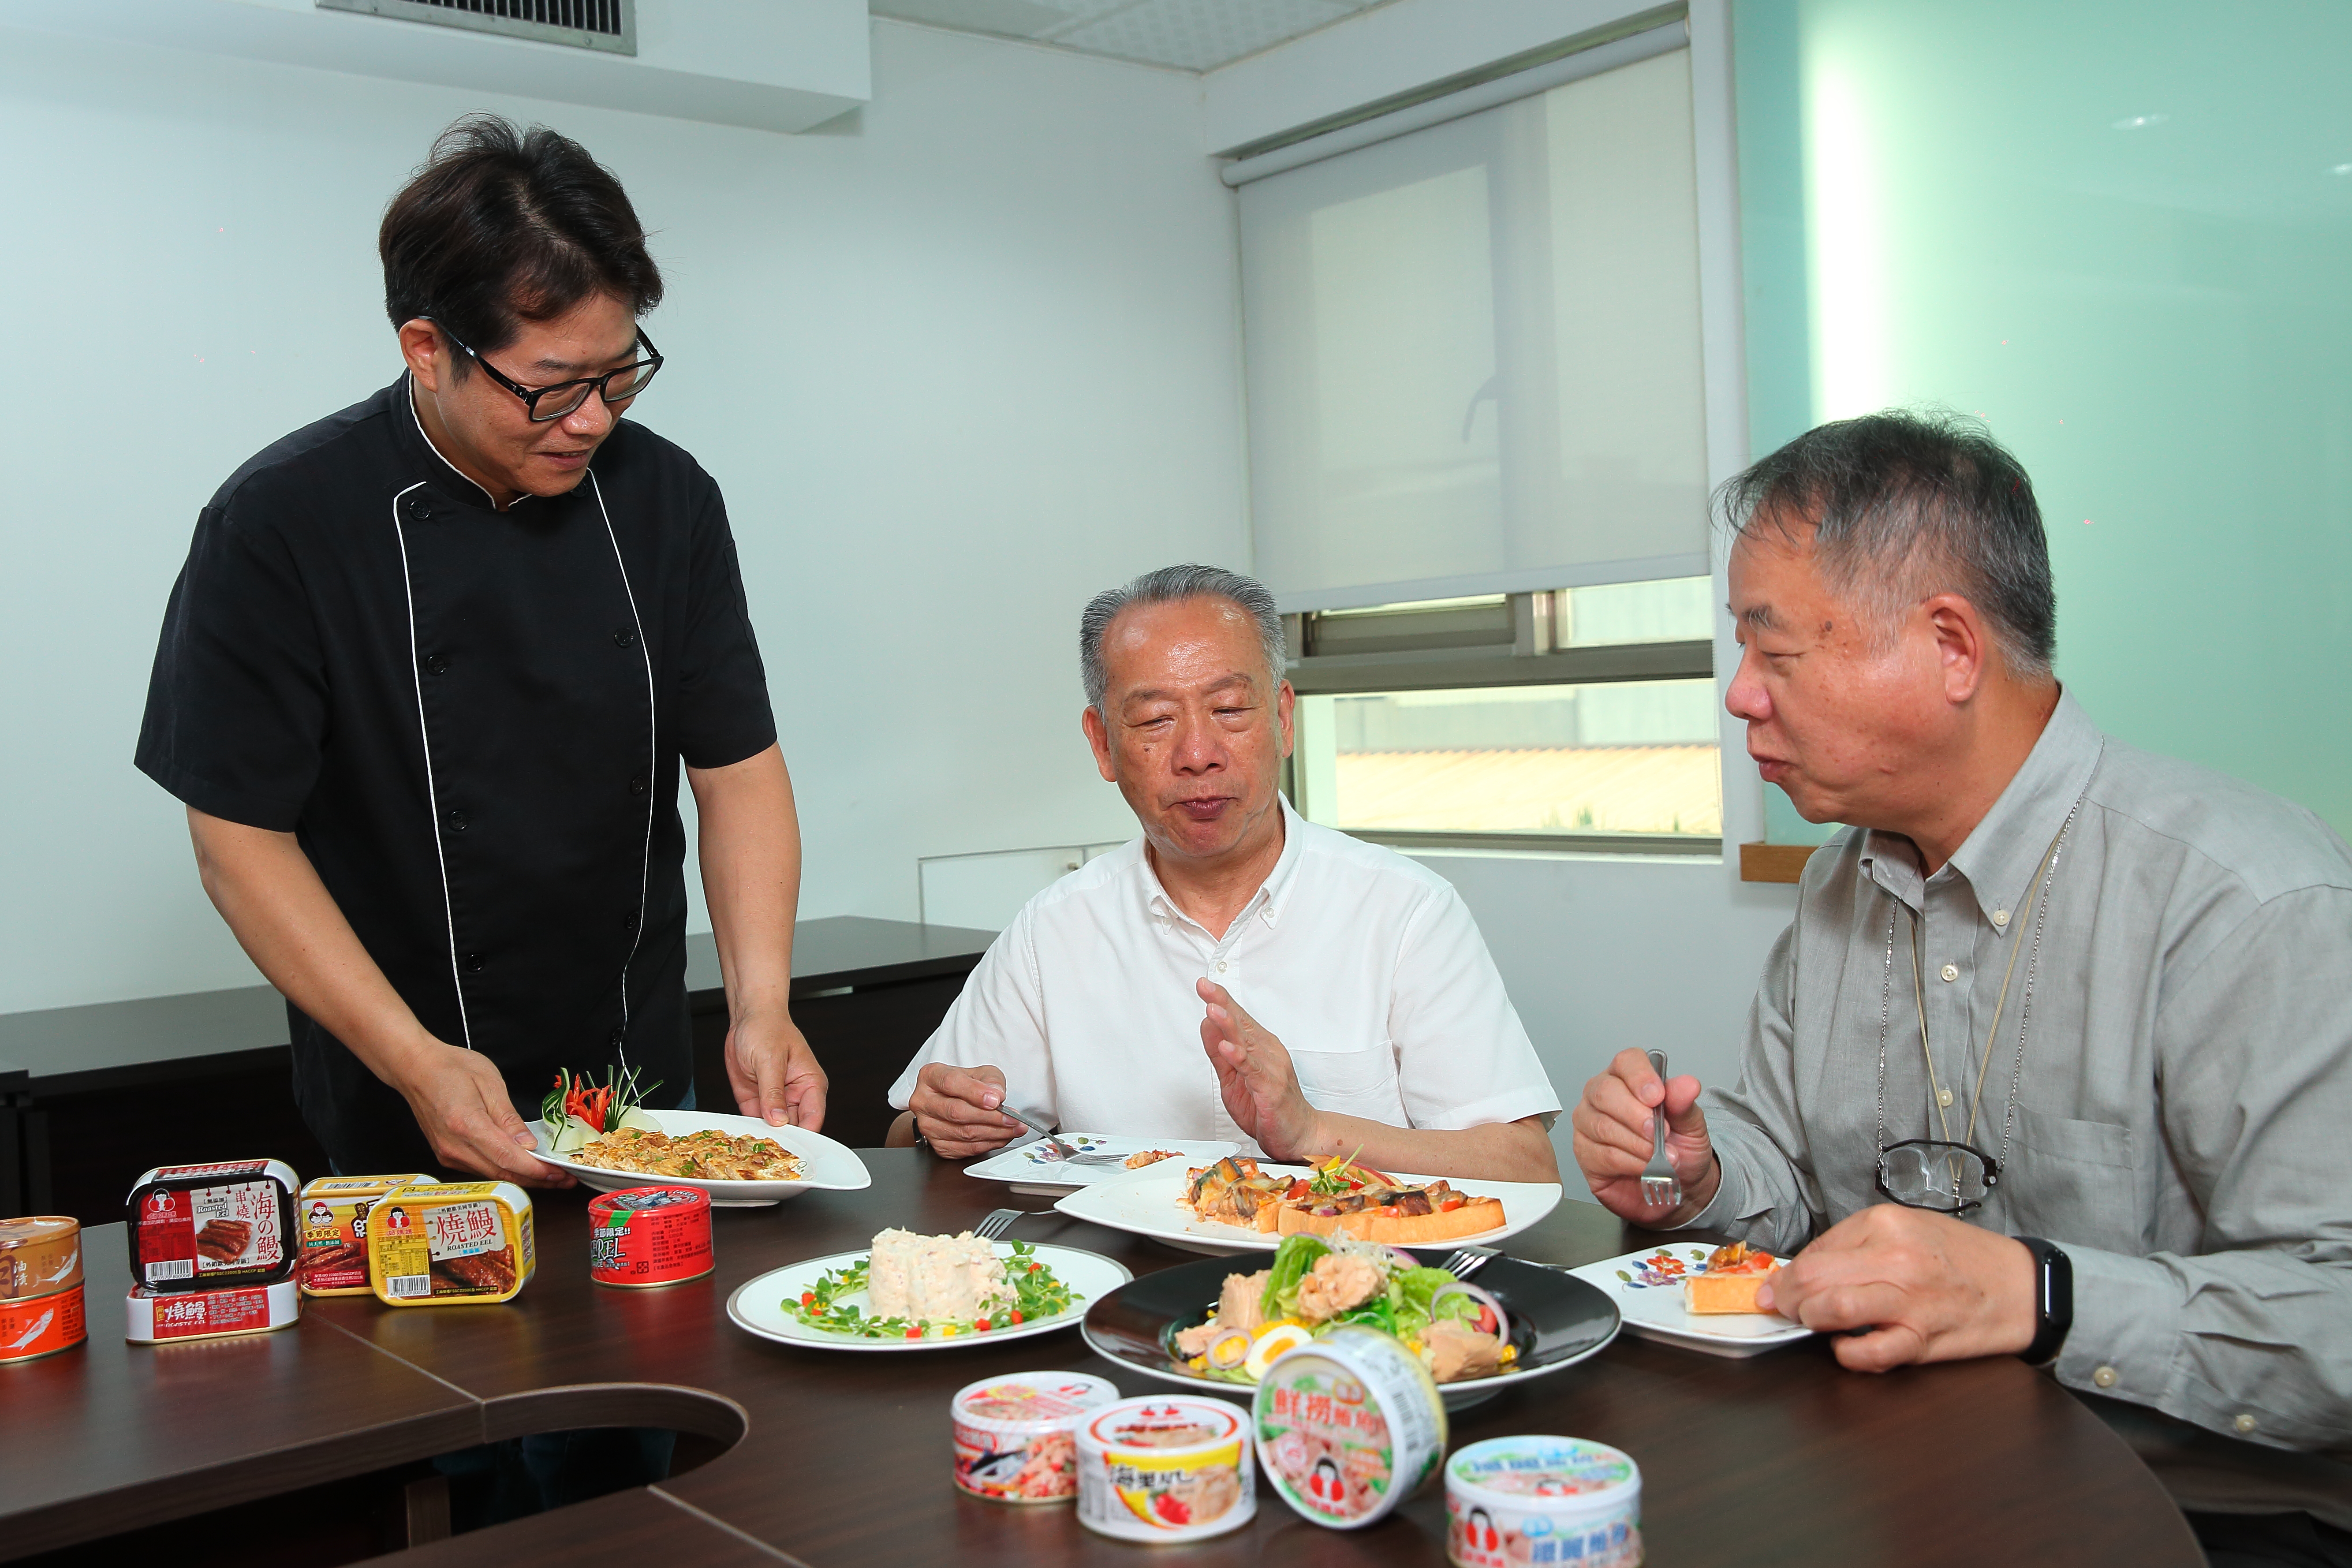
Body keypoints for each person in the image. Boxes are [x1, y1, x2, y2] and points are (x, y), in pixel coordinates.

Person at [1570, 411, 2352, 1560]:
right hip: (1892, 1471)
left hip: (2203, 1512)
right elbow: (1791, 1177)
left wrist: (2038, 1295)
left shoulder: (2241, 899)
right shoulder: (1843, 875)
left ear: (1949, 646)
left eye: (1772, 652)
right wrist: (1695, 1179)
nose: (1738, 696)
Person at [137, 116, 825, 1184]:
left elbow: (735, 768)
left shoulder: (666, 499)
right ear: (427, 348)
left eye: (620, 374)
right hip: (401, 1092)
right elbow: (240, 839)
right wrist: (414, 1062)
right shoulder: (282, 521)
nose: (592, 420)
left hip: (639, 1091)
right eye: (551, 385)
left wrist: (763, 1005)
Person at [886, 564, 1560, 1182]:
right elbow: (902, 1139)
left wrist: (1313, 1129)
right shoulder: (1057, 926)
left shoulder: (1403, 909)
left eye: (1230, 710)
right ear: (1102, 745)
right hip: (1124, 1290)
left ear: (1283, 717)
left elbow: (1525, 1166)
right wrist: (939, 1123)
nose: (1197, 754)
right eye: (1154, 719)